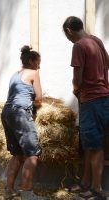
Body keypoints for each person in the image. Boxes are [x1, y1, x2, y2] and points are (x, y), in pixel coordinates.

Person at [63, 16, 109, 200]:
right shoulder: (96, 40)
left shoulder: (79, 46)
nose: (68, 39)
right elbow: (107, 62)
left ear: (69, 31)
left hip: (91, 100)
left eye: (67, 36)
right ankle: (86, 183)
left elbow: (78, 79)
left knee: (95, 146)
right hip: (104, 97)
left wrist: (76, 90)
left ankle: (97, 190)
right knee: (90, 144)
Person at [1, 46, 44, 200]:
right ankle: (27, 193)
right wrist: (38, 106)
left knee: (17, 154)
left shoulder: (15, 75)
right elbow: (38, 98)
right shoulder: (33, 73)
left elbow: (10, 97)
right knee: (32, 154)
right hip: (20, 114)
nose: (39, 66)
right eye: (38, 63)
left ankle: (9, 190)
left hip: (6, 113)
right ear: (31, 61)